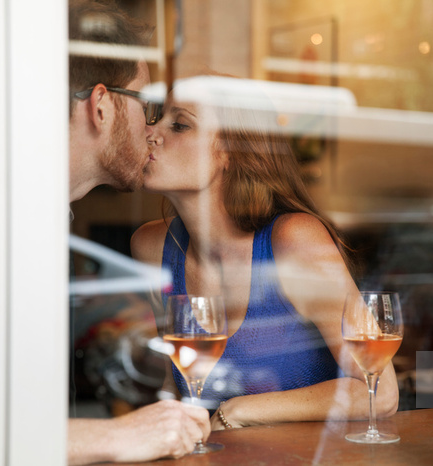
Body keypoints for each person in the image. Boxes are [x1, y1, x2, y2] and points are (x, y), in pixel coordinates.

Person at [130, 75, 399, 430]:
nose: (151, 133)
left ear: (229, 152)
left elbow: (379, 392)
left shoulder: (294, 240)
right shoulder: (151, 247)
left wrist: (238, 410)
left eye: (179, 124)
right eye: (155, 117)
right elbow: (172, 388)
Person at [66, 1, 210, 463]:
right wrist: (115, 438)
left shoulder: (44, 221)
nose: (150, 129)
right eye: (146, 105)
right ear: (102, 107)